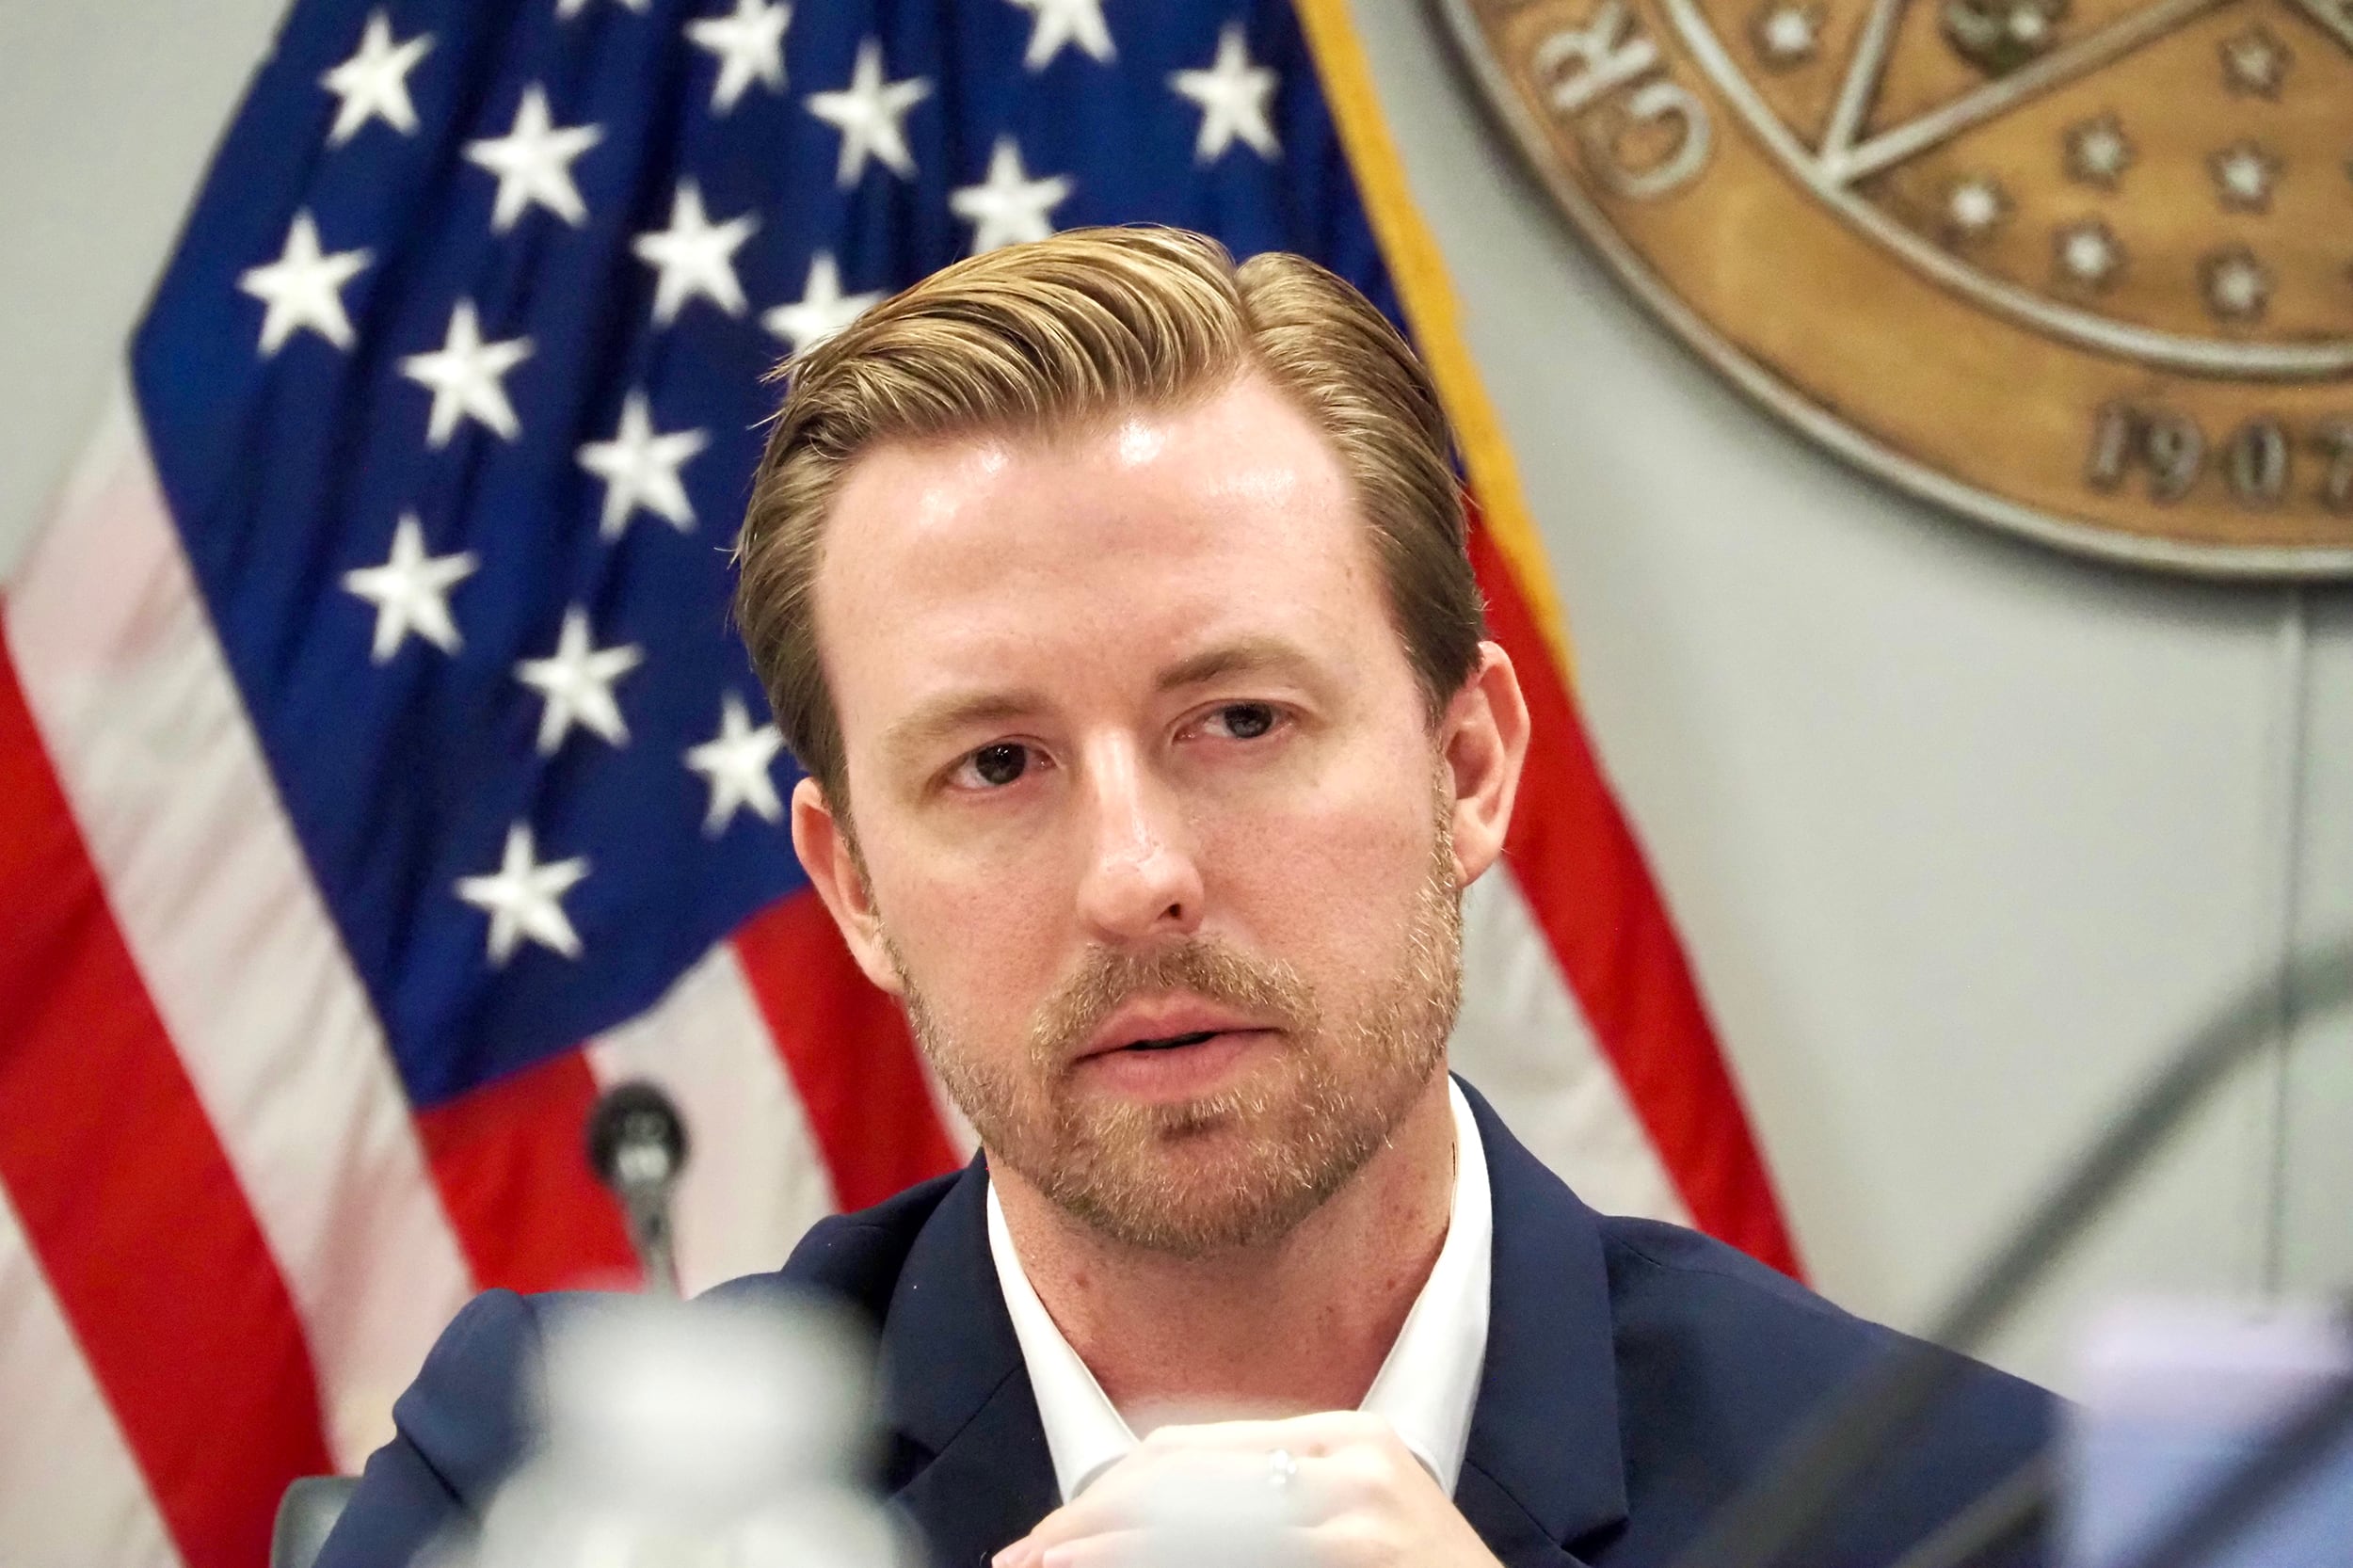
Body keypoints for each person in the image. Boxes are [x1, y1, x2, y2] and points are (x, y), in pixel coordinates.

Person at [317, 227, 2048, 1568]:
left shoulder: (1961, 1511)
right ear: (852, 885)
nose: (1138, 876)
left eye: (1238, 719)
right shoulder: (550, 1495)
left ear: (1466, 769)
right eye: (996, 764)